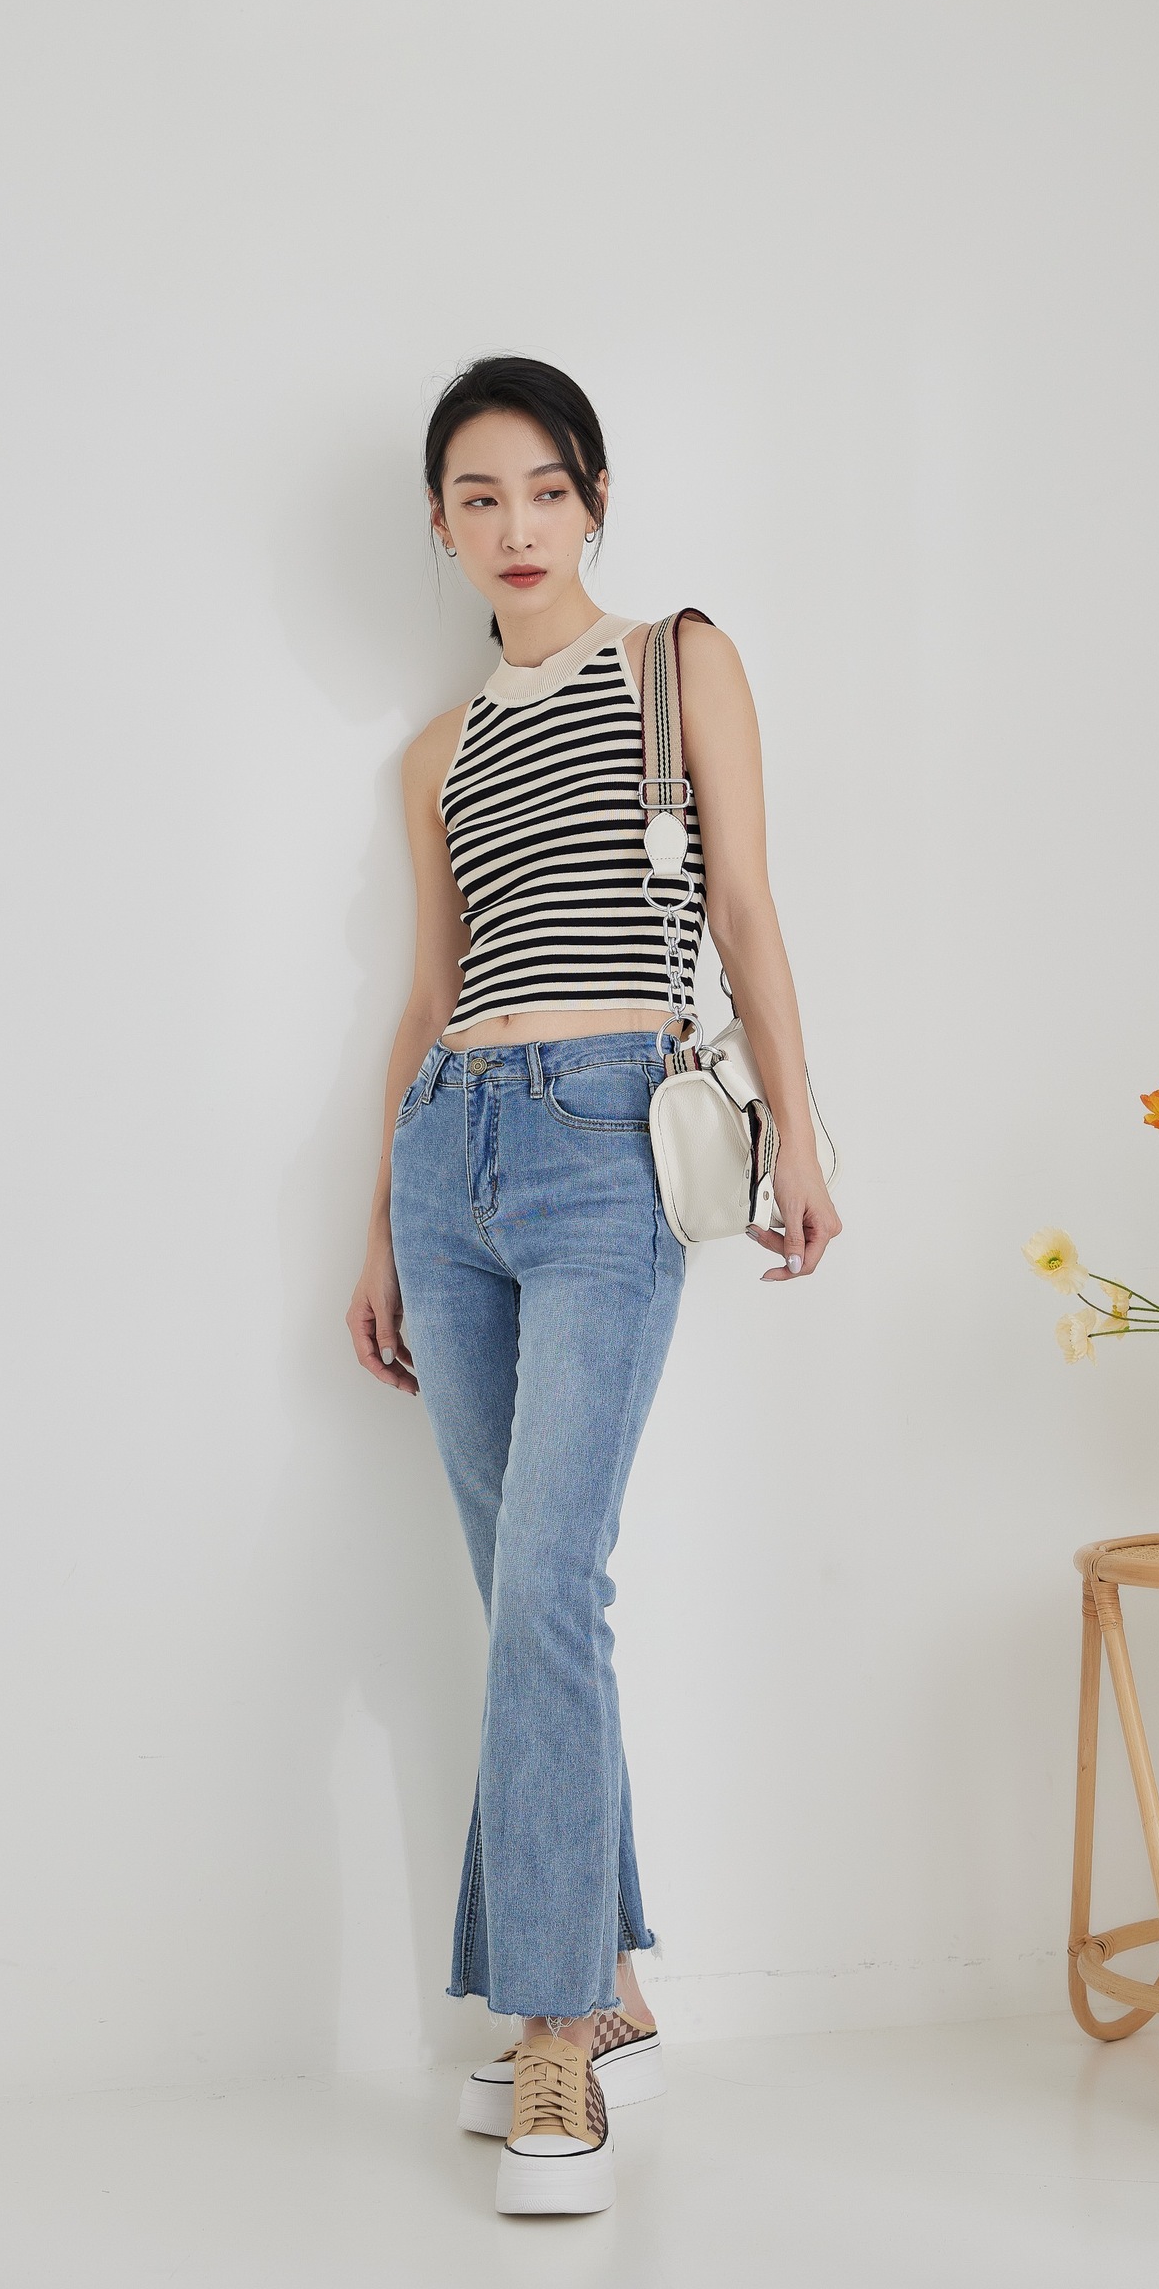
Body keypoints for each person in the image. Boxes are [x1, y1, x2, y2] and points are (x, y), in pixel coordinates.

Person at [345, 354, 841, 2215]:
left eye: (544, 489)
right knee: (524, 1599)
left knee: (551, 1582)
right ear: (440, 521)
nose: (515, 526)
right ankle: (601, 1980)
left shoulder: (678, 661)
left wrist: (802, 1133)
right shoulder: (437, 751)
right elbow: (428, 991)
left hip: (609, 1141)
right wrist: (377, 1224)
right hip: (451, 1156)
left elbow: (748, 913)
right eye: (478, 497)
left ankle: (552, 2033)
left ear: (598, 496)